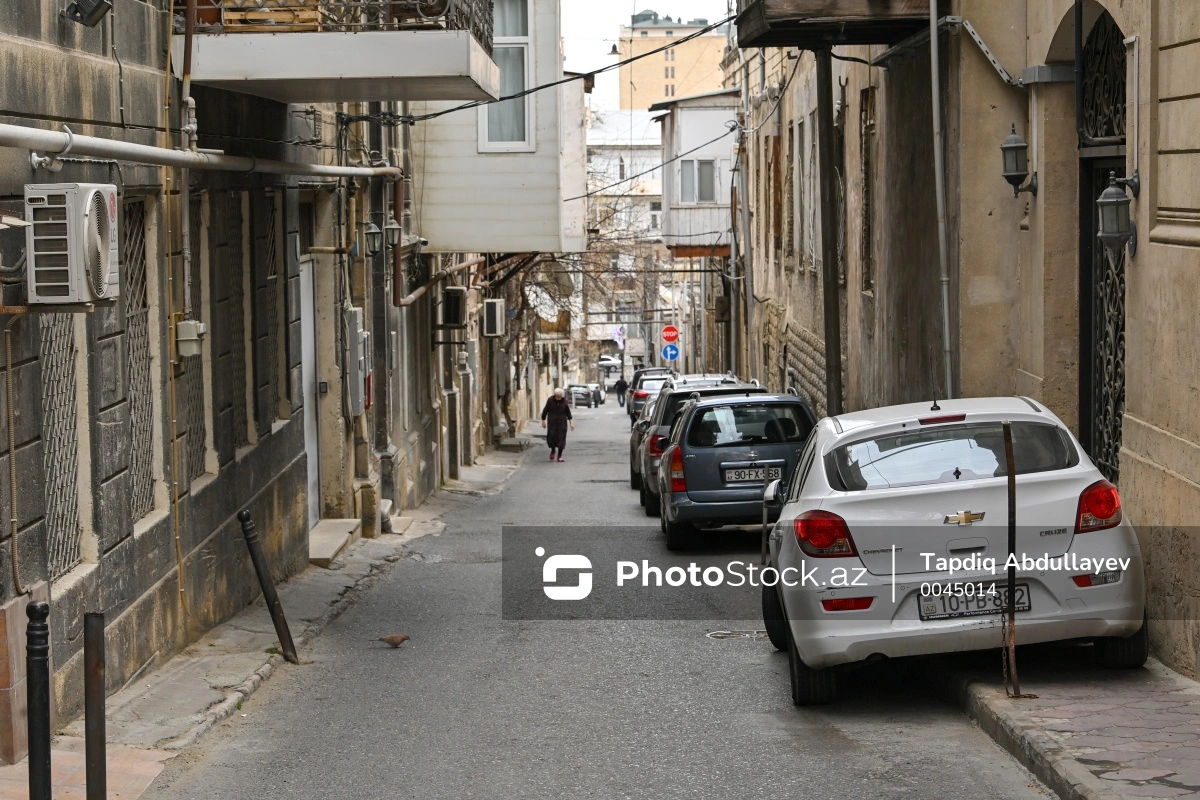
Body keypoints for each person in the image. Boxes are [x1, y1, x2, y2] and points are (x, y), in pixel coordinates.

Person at [541, 388, 575, 462]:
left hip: (562, 423)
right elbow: (545, 411)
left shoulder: (564, 402)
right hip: (552, 423)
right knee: (551, 439)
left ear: (562, 396)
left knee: (561, 439)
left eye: (559, 397)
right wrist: (543, 420)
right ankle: (553, 451)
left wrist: (571, 422)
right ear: (554, 395)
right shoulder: (550, 400)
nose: (558, 398)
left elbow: (568, 413)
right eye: (557, 396)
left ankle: (559, 456)